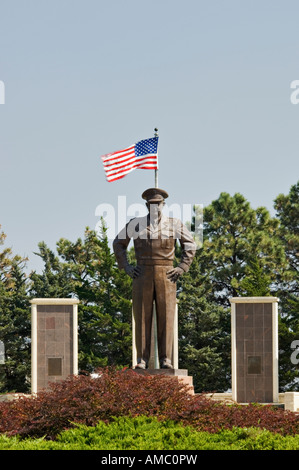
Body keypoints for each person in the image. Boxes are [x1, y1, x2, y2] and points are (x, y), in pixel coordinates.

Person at [113, 188, 196, 369]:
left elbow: (190, 244)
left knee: (166, 317)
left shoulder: (174, 224)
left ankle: (166, 358)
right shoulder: (136, 224)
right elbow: (118, 244)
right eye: (151, 204)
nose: (154, 207)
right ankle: (142, 359)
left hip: (166, 274)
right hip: (142, 273)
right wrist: (126, 267)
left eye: (157, 204)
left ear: (163, 205)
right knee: (142, 317)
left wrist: (182, 266)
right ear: (146, 205)